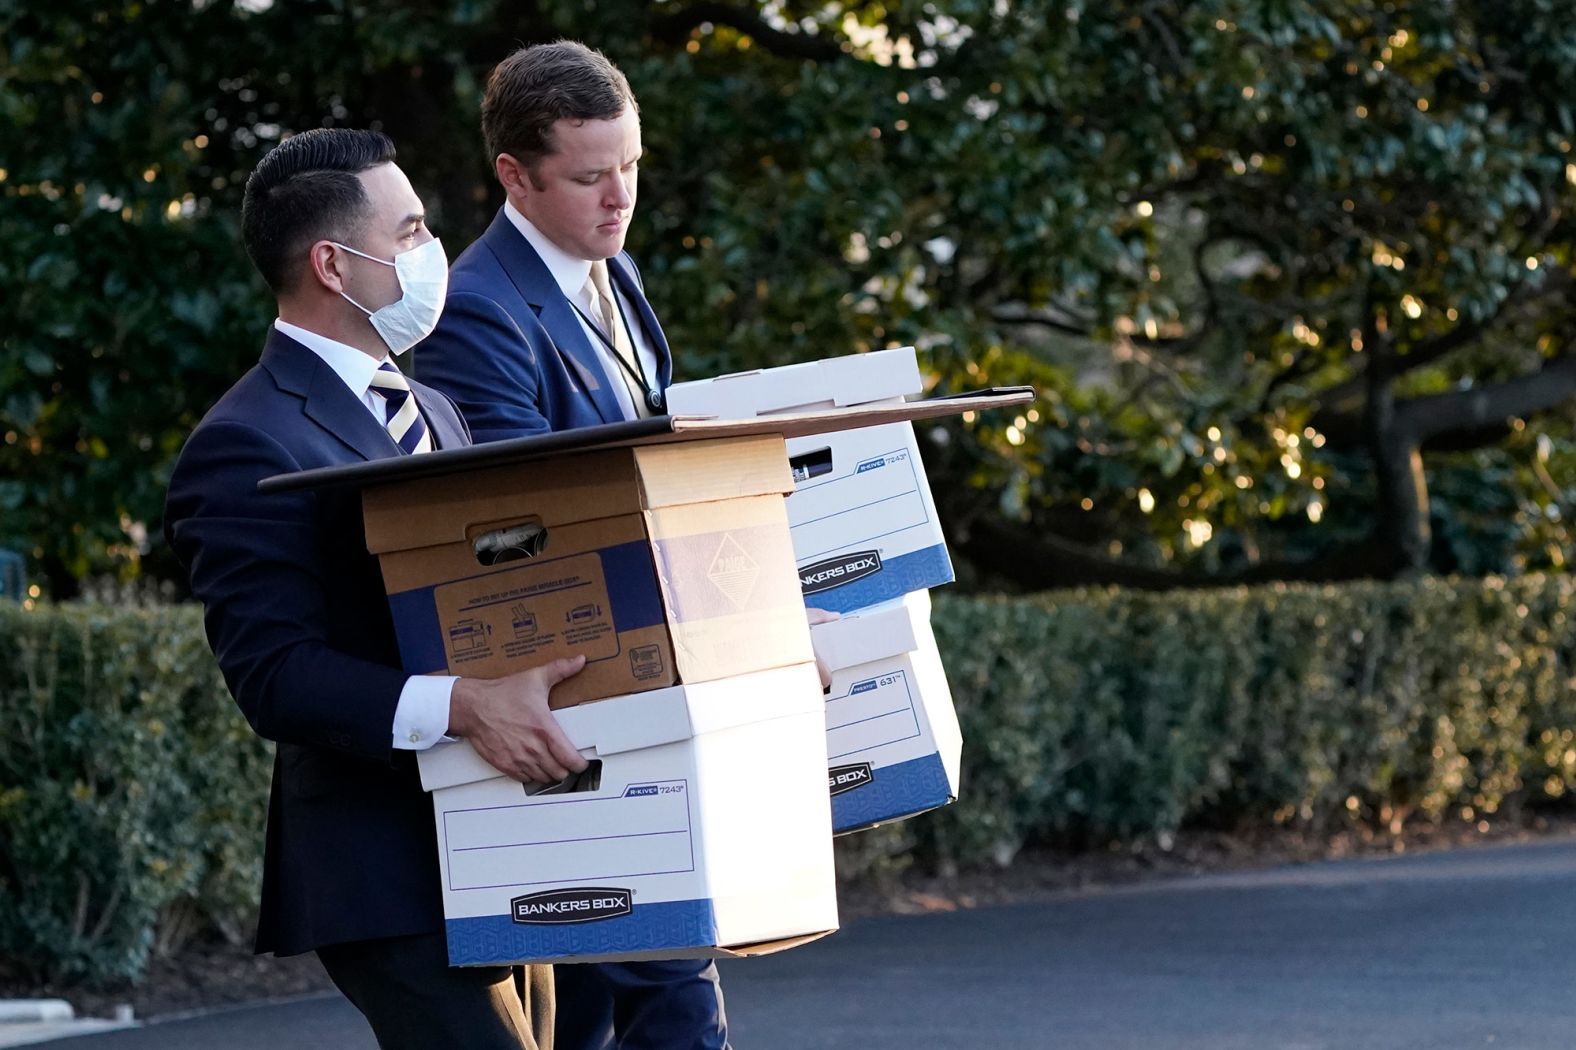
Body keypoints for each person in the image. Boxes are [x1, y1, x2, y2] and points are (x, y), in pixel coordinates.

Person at [163, 127, 590, 1050]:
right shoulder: (247, 442)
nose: (433, 254)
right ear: (332, 263)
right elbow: (275, 675)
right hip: (382, 867)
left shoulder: (434, 406)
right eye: (410, 233)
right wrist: (468, 707)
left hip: (503, 839)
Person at [415, 41, 730, 1050]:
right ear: (515, 174)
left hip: (650, 684)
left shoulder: (614, 266)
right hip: (580, 703)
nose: (619, 196)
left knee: (595, 1015)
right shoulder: (477, 306)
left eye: (630, 166)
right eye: (590, 176)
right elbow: (537, 531)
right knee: (675, 992)